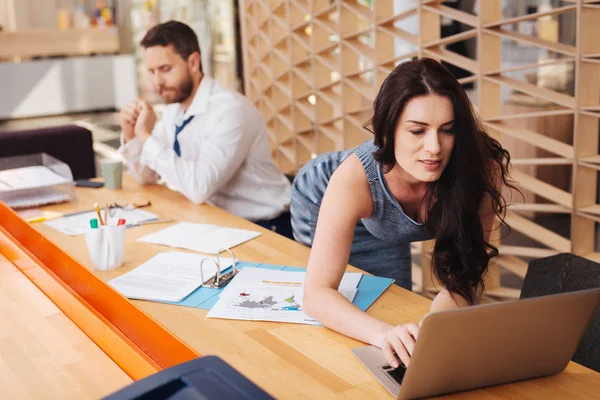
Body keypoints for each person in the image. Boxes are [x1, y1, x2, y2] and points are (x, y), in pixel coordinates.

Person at [291, 58, 514, 368]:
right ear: (388, 131)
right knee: (354, 323)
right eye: (417, 131)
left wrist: (428, 335)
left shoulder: (479, 168)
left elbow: (464, 276)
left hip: (382, 205)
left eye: (447, 130)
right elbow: (316, 294)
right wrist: (384, 335)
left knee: (397, 310)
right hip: (321, 190)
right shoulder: (352, 179)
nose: (434, 147)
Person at [119, 21, 292, 237]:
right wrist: (131, 135)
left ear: (193, 62)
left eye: (165, 69)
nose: (157, 82)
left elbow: (198, 188)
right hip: (217, 221)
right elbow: (146, 177)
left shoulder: (230, 111)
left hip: (267, 227)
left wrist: (145, 136)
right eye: (152, 72)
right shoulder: (176, 110)